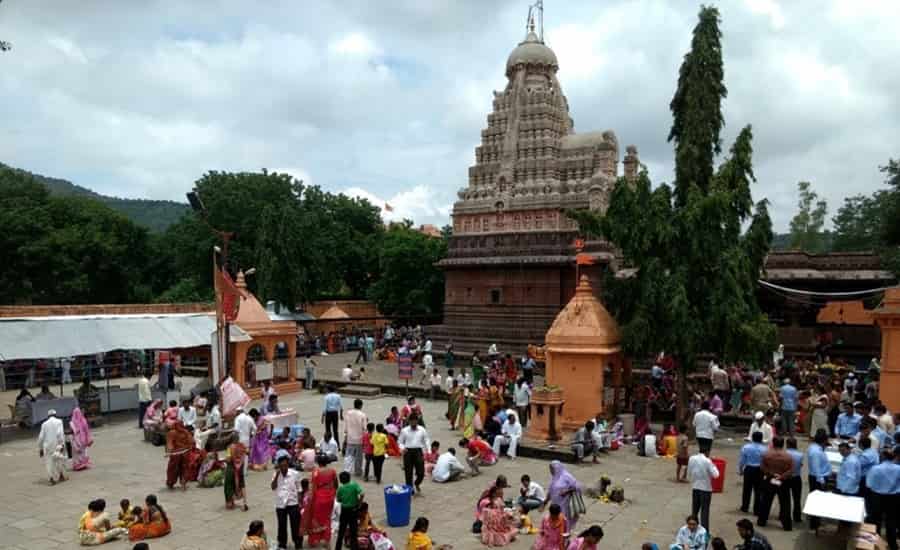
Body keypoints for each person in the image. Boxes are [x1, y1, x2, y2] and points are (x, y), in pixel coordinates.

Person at [866, 448, 900, 548]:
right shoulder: (898, 469)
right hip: (893, 498)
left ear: (883, 456)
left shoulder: (875, 468)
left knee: (876, 521)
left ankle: (876, 544)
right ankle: (892, 544)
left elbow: (869, 484)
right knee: (891, 522)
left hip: (877, 497)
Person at [301, 455, 338, 548]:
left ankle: (315, 540)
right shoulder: (333, 471)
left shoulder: (315, 472)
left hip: (319, 498)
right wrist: (332, 493)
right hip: (330, 498)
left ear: (318, 462)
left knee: (316, 518)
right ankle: (326, 539)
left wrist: (309, 501)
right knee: (327, 518)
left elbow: (313, 488)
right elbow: (336, 485)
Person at [758, 436, 793, 530]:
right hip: (783, 481)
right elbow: (791, 470)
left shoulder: (767, 455)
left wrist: (771, 474)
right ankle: (787, 525)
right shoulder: (788, 457)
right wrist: (782, 476)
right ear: (783, 444)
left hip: (770, 479)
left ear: (773, 443)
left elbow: (762, 467)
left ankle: (762, 521)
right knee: (785, 503)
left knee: (766, 501)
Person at [272, 455, 303, 550]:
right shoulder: (276, 474)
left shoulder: (295, 474)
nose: (283, 468)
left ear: (288, 465)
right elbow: (273, 487)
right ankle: (282, 544)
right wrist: (277, 475)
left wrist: (300, 503)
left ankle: (298, 543)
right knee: (281, 525)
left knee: (295, 525)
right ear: (279, 466)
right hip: (280, 504)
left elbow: (299, 489)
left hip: (293, 503)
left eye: (285, 465)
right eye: (281, 466)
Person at [686, 448, 719, 532]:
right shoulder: (707, 461)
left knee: (694, 511)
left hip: (695, 487)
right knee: (704, 512)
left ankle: (692, 528)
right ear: (707, 452)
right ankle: (704, 532)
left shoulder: (692, 458)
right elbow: (716, 475)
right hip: (705, 489)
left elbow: (689, 472)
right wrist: (713, 465)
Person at [545, 461, 583, 531]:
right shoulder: (555, 477)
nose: (550, 471)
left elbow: (577, 486)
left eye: (552, 469)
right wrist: (545, 501)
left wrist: (566, 491)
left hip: (564, 503)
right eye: (550, 469)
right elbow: (550, 490)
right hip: (555, 503)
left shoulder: (566, 476)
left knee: (564, 520)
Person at [805, 429, 831, 531]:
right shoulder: (816, 452)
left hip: (817, 477)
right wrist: (822, 481)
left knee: (817, 501)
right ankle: (814, 523)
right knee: (817, 502)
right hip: (818, 479)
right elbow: (816, 469)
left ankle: (815, 522)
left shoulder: (816, 448)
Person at [399, 414, 430, 495]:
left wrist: (428, 451)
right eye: (412, 421)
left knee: (421, 472)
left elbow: (427, 440)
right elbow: (400, 442)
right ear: (409, 421)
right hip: (408, 452)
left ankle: (417, 483)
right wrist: (402, 448)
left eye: (415, 421)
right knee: (408, 472)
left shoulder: (422, 429)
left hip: (418, 451)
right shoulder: (404, 430)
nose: (413, 422)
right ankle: (410, 488)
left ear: (417, 421)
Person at [738, 431, 766, 514]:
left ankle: (745, 507)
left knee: (747, 489)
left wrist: (740, 470)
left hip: (749, 469)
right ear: (761, 439)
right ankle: (756, 509)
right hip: (760, 470)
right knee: (758, 490)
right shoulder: (765, 449)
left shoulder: (746, 447)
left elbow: (742, 461)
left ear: (752, 438)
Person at [336, 471, 364, 550]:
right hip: (353, 510)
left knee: (341, 531)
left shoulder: (340, 488)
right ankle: (354, 547)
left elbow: (338, 499)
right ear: (349, 478)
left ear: (341, 480)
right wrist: (359, 503)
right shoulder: (354, 485)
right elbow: (362, 494)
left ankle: (338, 547)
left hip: (344, 510)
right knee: (353, 531)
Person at [37, 408, 67, 485]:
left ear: (48, 416)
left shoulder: (44, 424)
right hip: (57, 445)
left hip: (47, 446)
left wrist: (40, 448)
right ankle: (61, 476)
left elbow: (41, 437)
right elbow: (60, 434)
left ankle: (51, 478)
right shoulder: (59, 421)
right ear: (55, 415)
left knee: (49, 462)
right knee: (59, 460)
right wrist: (62, 444)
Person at [165, 420, 194, 490]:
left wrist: (170, 451)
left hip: (176, 454)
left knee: (173, 469)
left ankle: (170, 483)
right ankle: (183, 482)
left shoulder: (172, 432)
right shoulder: (186, 432)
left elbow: (169, 444)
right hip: (185, 453)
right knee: (184, 468)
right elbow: (191, 442)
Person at [224, 433, 249, 511]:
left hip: (231, 469)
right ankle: (245, 503)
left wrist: (224, 459)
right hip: (240, 469)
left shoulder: (230, 447)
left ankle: (230, 503)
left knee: (229, 485)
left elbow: (228, 459)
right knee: (242, 484)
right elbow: (248, 452)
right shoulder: (242, 445)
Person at [344, 399, 368, 478]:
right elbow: (364, 428)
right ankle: (358, 471)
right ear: (361, 405)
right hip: (359, 439)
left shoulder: (348, 413)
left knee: (349, 456)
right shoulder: (362, 415)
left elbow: (346, 425)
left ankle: (347, 470)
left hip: (350, 438)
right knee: (358, 457)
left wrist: (346, 435)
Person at [785, 437, 804, 524]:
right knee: (797, 498)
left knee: (785, 499)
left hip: (786, 478)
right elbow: (800, 465)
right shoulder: (800, 454)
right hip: (796, 478)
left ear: (787, 444)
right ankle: (797, 517)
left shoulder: (784, 453)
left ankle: (784, 515)